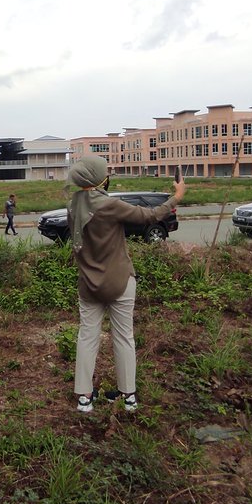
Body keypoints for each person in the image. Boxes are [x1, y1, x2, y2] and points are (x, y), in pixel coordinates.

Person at [67, 155, 184, 413]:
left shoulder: (73, 204)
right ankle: (128, 395)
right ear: (101, 179)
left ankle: (84, 397)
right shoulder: (109, 204)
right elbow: (150, 215)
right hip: (119, 281)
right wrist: (176, 196)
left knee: (87, 337)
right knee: (123, 337)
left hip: (88, 283)